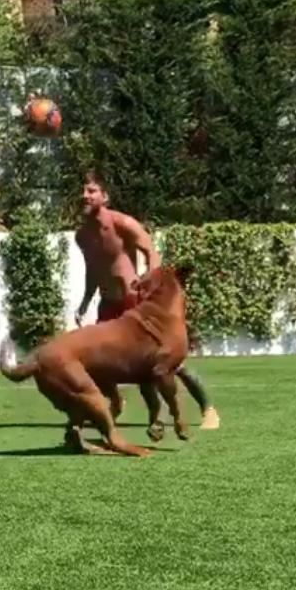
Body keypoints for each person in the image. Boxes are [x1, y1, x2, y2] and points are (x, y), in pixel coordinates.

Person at [74, 169, 220, 430]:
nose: (84, 195)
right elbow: (93, 270)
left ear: (105, 197)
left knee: (171, 363)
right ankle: (118, 405)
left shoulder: (123, 224)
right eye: (84, 190)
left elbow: (150, 250)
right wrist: (85, 301)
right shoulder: (82, 236)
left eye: (91, 191)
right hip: (108, 305)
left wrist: (147, 281)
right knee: (99, 361)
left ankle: (207, 407)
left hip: (134, 303)